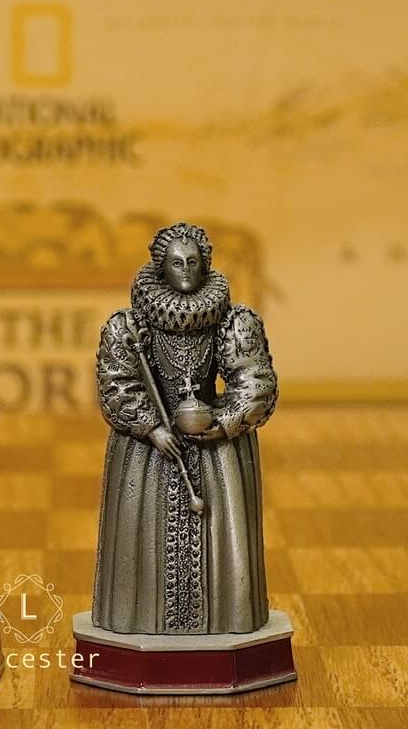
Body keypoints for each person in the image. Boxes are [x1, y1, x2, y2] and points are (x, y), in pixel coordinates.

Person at [90, 222, 278, 636]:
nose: (186, 270)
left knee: (221, 532)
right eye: (177, 263)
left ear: (205, 264)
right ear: (161, 268)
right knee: (144, 539)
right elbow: (117, 382)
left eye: (193, 262)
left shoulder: (233, 321)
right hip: (150, 451)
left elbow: (255, 379)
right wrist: (150, 427)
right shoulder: (129, 326)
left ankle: (225, 619)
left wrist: (225, 422)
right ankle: (142, 620)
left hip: (215, 447)